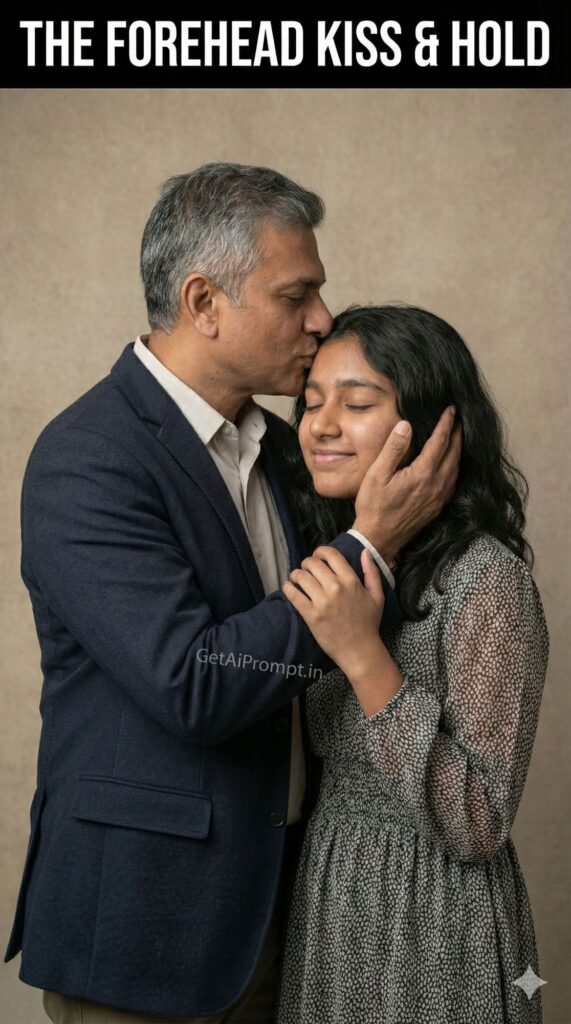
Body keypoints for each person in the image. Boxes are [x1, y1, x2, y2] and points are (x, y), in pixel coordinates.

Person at [5, 167, 460, 1023]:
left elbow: (349, 643)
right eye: (298, 294)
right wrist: (368, 544)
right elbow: (197, 682)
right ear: (203, 301)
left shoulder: (289, 450)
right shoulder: (88, 460)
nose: (322, 319)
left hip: (286, 915)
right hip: (145, 930)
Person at [276, 304, 548, 1024]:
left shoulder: (485, 579)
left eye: (356, 402)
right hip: (333, 897)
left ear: (430, 428)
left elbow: (477, 823)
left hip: (437, 914)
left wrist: (364, 654)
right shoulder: (330, 559)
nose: (321, 424)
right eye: (309, 402)